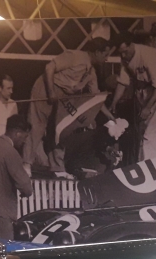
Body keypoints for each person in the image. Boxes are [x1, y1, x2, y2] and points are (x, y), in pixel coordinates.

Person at [25, 38, 112, 170]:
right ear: (97, 52)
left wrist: (110, 116)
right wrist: (51, 92)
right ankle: (26, 164)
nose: (106, 59)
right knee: (38, 126)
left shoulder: (91, 73)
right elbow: (49, 67)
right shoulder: (75, 56)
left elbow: (96, 99)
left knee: (59, 130)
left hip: (62, 97)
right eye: (105, 55)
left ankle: (57, 169)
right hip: (47, 88)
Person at [111, 33, 156, 161]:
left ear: (131, 45)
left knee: (152, 135)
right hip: (144, 93)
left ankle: (151, 165)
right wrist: (114, 102)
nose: (123, 56)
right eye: (120, 53)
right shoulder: (125, 58)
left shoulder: (149, 54)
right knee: (143, 133)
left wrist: (147, 107)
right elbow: (123, 82)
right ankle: (149, 163)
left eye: (125, 52)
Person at [0, 114, 33, 240]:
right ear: (17, 133)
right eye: (25, 136)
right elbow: (25, 186)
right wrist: (26, 192)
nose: (25, 141)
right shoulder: (10, 152)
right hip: (1, 213)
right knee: (2, 250)